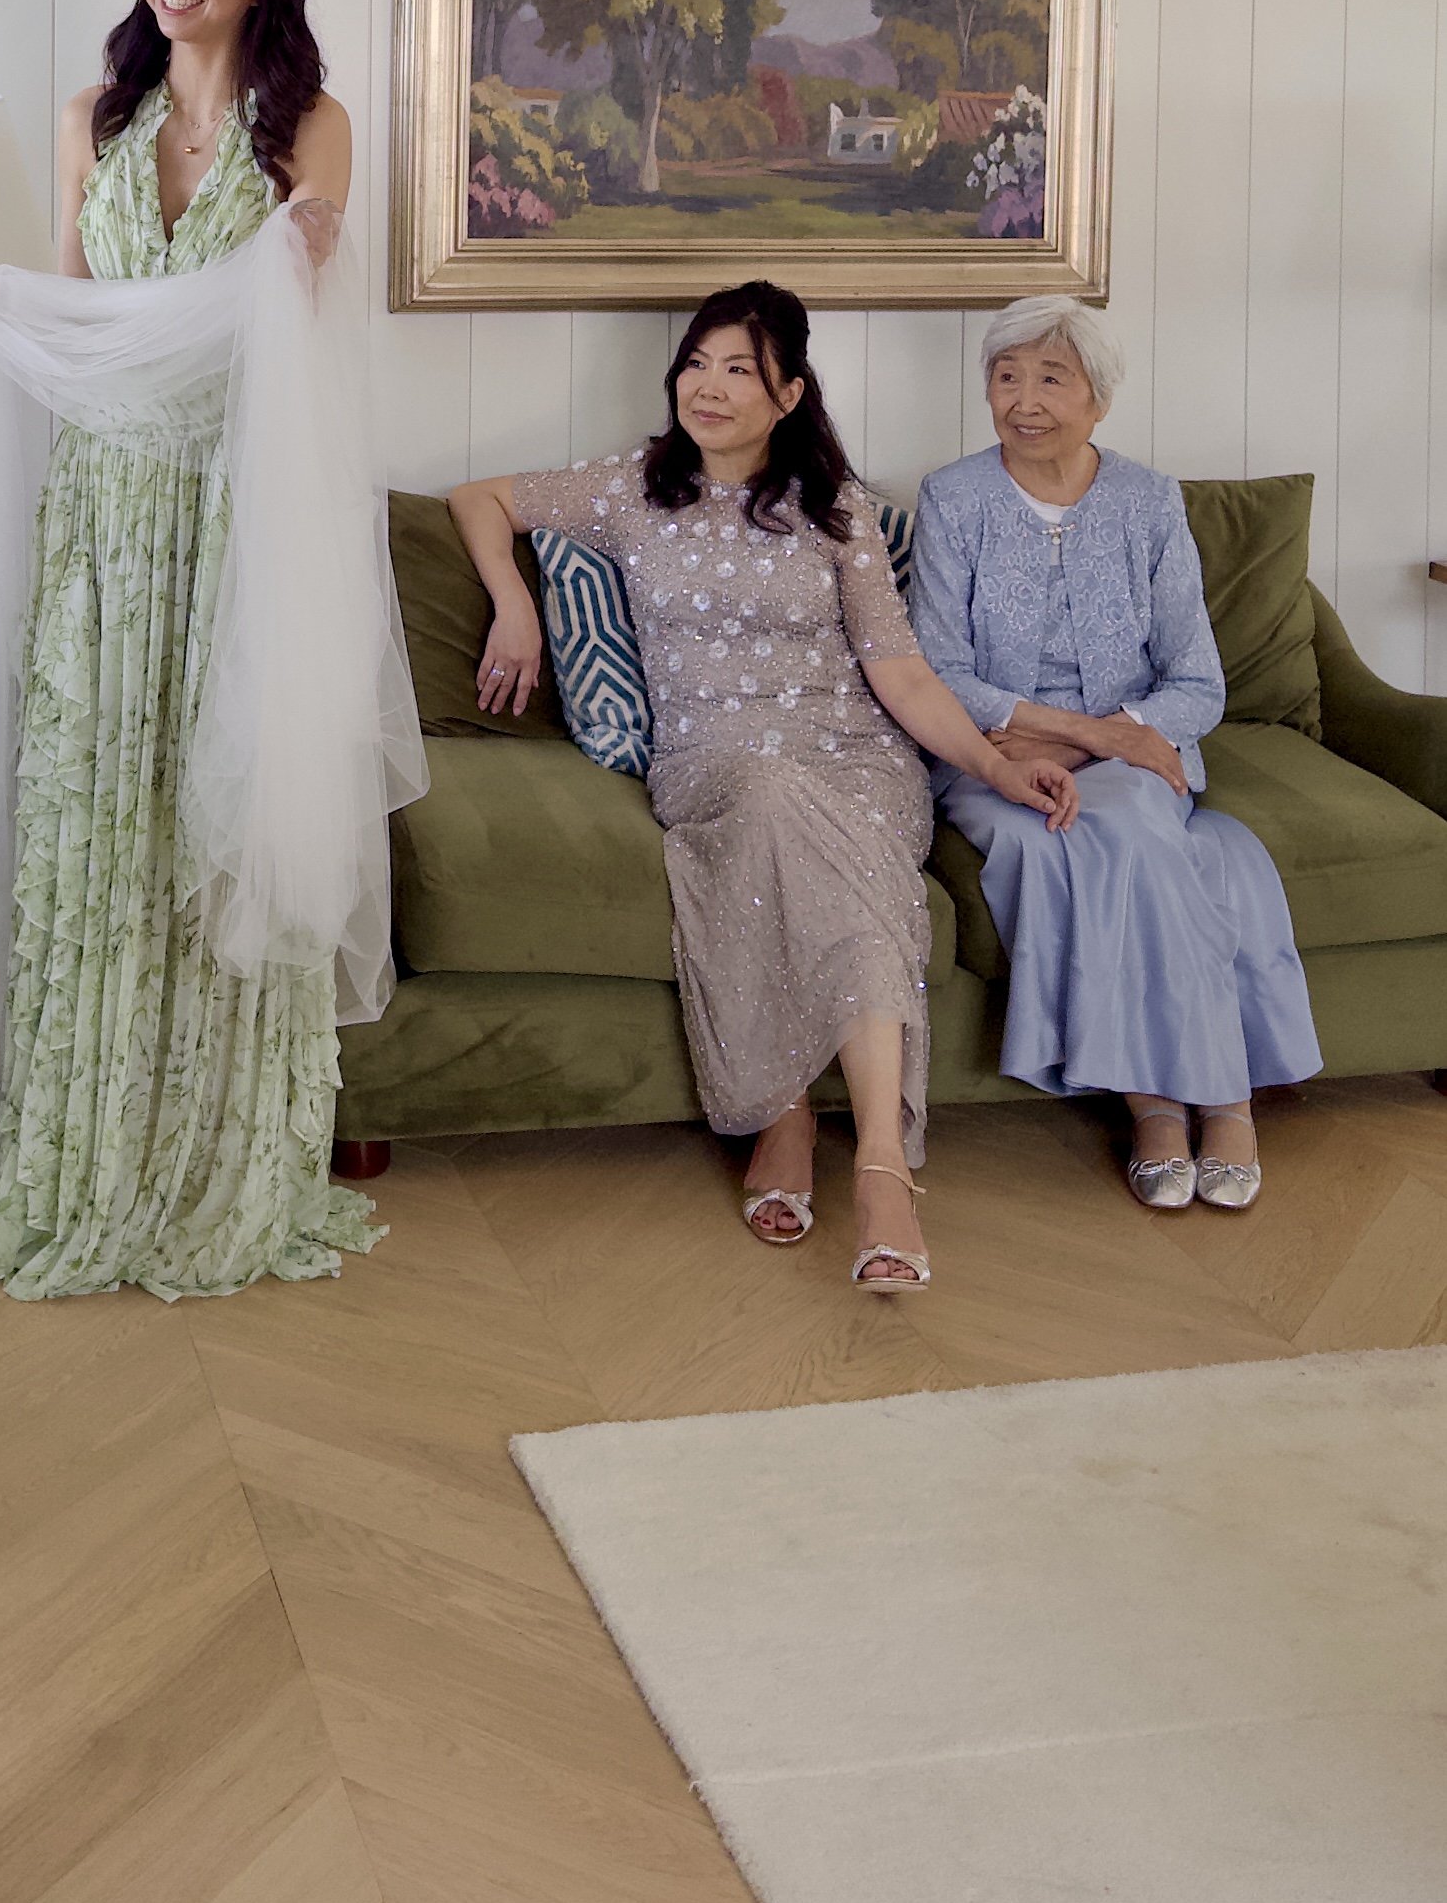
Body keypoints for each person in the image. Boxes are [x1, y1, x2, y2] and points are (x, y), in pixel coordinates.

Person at [0, 0, 408, 1301]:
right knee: (97, 818)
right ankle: (84, 1151)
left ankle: (213, 1154)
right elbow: (74, 306)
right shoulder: (91, 122)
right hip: (104, 521)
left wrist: (281, 246)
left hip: (235, 516)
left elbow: (288, 311)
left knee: (209, 829)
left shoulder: (311, 127)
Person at [448, 283, 1079, 1288]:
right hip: (715, 760)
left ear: (788, 394)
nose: (708, 385)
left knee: (851, 853)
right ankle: (798, 1119)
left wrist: (999, 764)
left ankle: (868, 1161)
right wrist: (514, 605)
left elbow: (901, 673)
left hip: (858, 757)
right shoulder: (628, 490)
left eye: (739, 368)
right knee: (775, 800)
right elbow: (479, 499)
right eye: (697, 362)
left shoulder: (838, 514)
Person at [912, 297, 1320, 1211]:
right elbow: (938, 668)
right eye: (1005, 377)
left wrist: (1125, 734)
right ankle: (1180, 1103)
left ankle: (1193, 1103)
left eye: (1051, 379)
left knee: (1130, 819)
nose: (1023, 401)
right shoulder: (954, 498)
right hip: (997, 758)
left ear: (1098, 399)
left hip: (1134, 757)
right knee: (1045, 836)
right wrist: (1092, 733)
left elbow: (1197, 683)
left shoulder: (1148, 501)